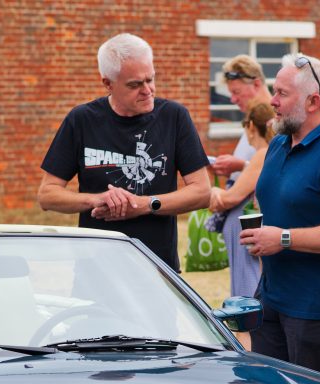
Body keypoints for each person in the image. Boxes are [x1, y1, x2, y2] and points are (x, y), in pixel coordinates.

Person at [239, 54, 320, 378]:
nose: (272, 101)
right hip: (272, 296)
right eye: (274, 91)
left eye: (282, 94)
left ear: (313, 101)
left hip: (317, 309)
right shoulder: (279, 144)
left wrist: (283, 238)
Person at [38, 33, 210, 272]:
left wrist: (143, 204)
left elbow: (202, 192)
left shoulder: (174, 117)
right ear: (108, 83)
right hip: (95, 270)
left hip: (156, 268)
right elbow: (47, 195)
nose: (147, 90)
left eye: (150, 79)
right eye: (134, 84)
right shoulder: (82, 120)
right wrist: (96, 199)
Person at [209, 101, 275, 299]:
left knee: (248, 296)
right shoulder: (267, 154)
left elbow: (231, 198)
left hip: (248, 237)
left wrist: (210, 191)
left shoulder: (262, 154)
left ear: (252, 126)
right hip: (246, 238)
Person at [209, 55, 272, 180]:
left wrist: (240, 166)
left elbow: (278, 172)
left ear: (257, 84)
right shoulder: (254, 118)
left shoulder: (276, 121)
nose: (233, 99)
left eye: (236, 92)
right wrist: (232, 169)